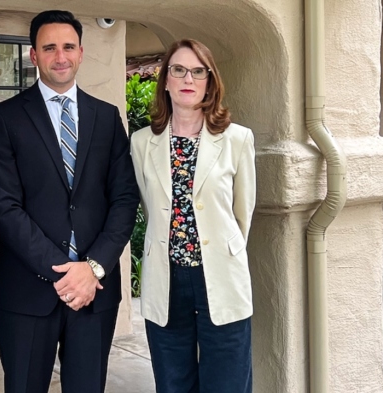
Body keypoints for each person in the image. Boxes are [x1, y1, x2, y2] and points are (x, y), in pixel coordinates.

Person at [0, 10, 140, 393]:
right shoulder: (4, 118)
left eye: (68, 47)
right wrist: (64, 274)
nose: (60, 56)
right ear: (34, 55)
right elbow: (3, 208)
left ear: (81, 53)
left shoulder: (106, 117)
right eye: (49, 48)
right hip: (29, 291)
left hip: (95, 292)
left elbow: (124, 198)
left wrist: (93, 268)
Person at [130, 38, 256, 393]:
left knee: (228, 382)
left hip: (220, 275)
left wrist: (220, 255)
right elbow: (146, 204)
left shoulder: (237, 139)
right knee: (173, 383)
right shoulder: (141, 143)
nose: (189, 78)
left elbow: (241, 215)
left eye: (198, 71)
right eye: (179, 70)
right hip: (166, 279)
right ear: (165, 80)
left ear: (210, 81)